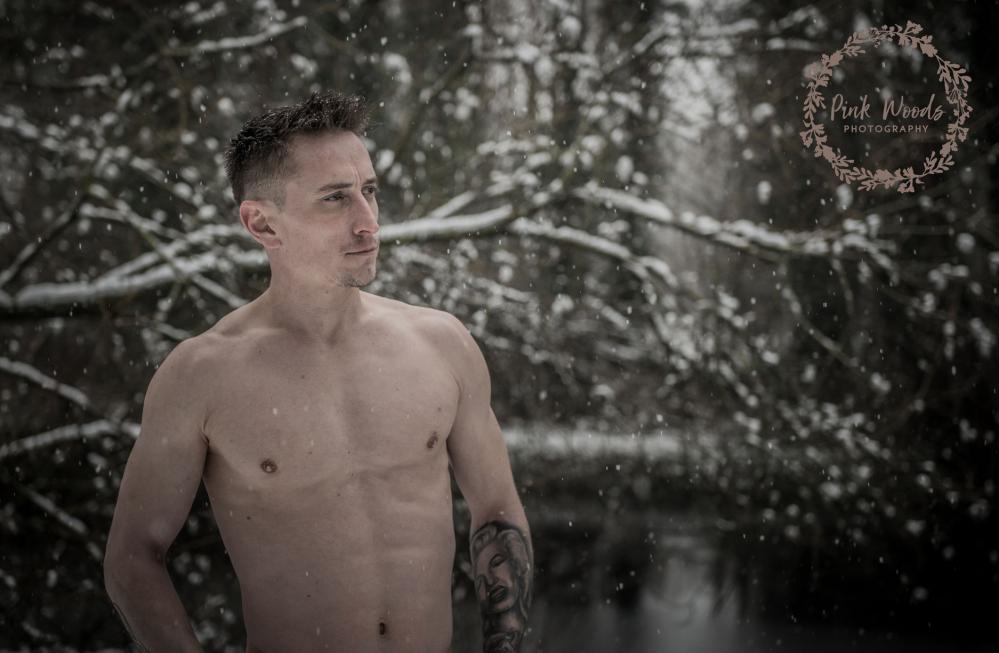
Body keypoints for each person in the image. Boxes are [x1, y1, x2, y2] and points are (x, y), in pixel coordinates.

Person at [103, 91, 533, 653]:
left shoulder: (440, 345)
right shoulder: (203, 375)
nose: (369, 223)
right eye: (335, 199)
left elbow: (497, 512)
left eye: (369, 191)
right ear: (263, 224)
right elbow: (132, 558)